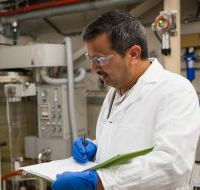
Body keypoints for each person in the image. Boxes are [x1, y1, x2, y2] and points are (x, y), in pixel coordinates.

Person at [52, 10, 200, 190]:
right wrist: (96, 148)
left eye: (100, 59)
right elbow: (126, 143)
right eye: (91, 59)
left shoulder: (175, 90)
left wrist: (99, 182)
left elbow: (172, 165)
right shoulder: (115, 91)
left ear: (134, 54)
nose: (93, 69)